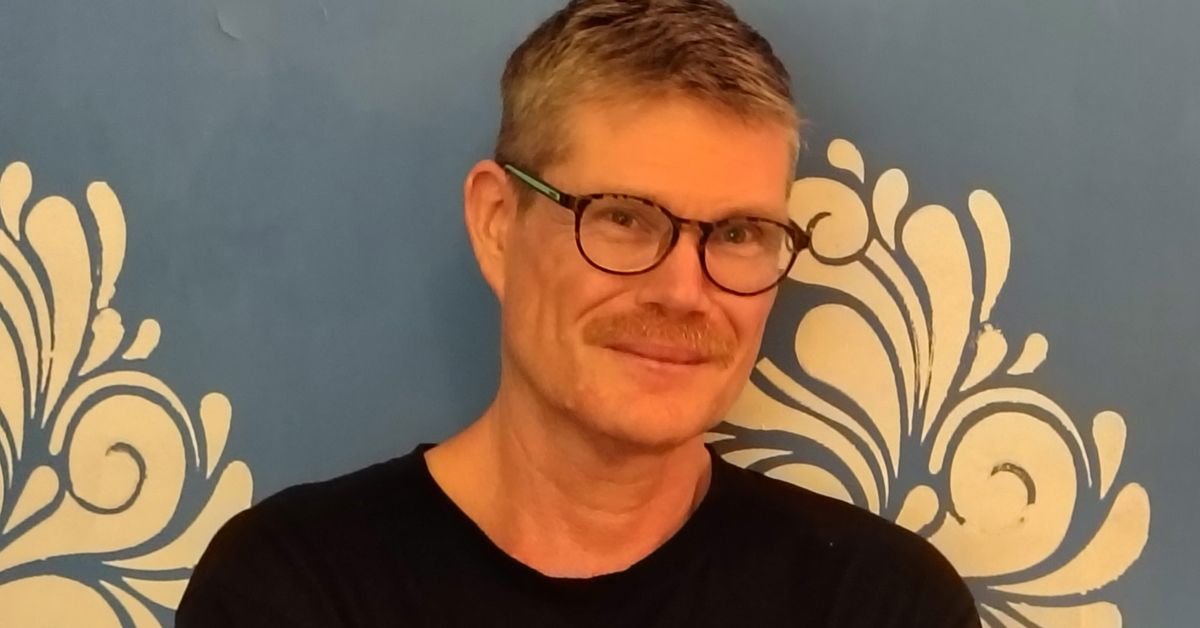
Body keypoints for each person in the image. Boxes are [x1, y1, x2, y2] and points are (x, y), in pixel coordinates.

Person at [177, 1, 980, 626]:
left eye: (738, 233)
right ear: (499, 223)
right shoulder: (294, 588)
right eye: (624, 217)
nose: (682, 290)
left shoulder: (880, 603)